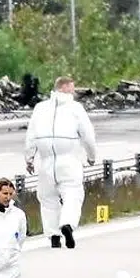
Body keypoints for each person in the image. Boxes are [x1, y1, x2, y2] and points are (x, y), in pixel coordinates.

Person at [24, 76, 98, 249]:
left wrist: (29, 158)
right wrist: (91, 155)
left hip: (46, 160)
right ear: (65, 87)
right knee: (72, 194)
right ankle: (67, 224)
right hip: (69, 159)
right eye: (72, 88)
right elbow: (87, 135)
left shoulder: (40, 108)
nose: (74, 91)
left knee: (47, 199)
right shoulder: (75, 108)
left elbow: (31, 136)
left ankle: (53, 236)